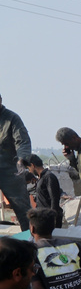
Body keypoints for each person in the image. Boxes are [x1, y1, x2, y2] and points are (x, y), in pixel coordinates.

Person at [0, 95, 32, 230]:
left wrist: (21, 160)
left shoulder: (12, 118)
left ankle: (31, 238)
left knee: (23, 209)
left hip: (10, 169)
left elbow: (22, 141)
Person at [25, 156, 63, 228]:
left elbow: (54, 199)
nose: (30, 171)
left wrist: (53, 218)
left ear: (32, 165)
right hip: (43, 218)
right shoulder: (41, 178)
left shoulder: (48, 177)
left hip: (49, 219)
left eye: (29, 168)